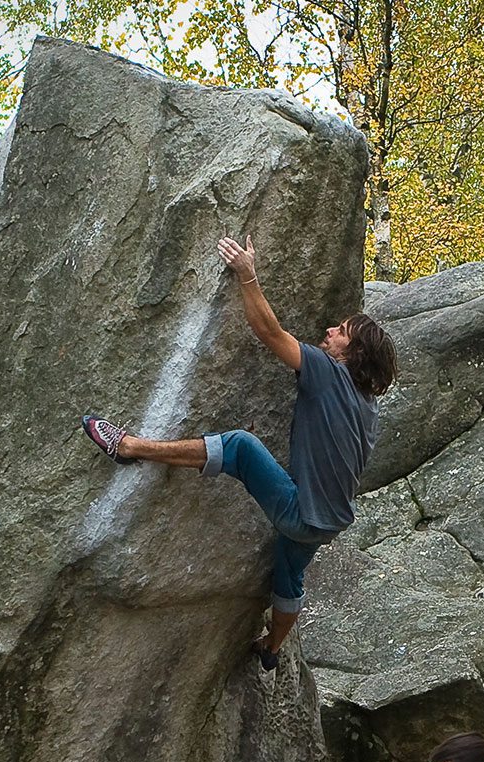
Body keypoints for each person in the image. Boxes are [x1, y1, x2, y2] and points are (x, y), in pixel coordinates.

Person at [82, 235, 396, 670]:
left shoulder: (328, 373)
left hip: (303, 513)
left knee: (239, 446)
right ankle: (271, 649)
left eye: (340, 331)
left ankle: (130, 446)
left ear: (353, 352)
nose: (328, 331)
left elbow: (270, 332)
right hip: (328, 523)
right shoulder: (369, 408)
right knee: (289, 572)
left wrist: (247, 274)